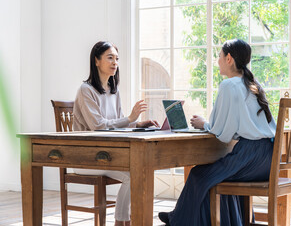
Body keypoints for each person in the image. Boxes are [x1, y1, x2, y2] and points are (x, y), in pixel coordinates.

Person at [158, 39, 276, 226]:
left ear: (229, 58)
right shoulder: (253, 84)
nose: (217, 60)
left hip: (250, 155)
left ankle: (177, 220)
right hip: (268, 159)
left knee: (199, 174)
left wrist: (204, 124)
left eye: (219, 56)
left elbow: (222, 133)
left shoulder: (229, 85)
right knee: (215, 175)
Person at [73, 41, 159, 226]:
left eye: (117, 59)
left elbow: (118, 124)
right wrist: (129, 118)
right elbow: (98, 126)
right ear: (96, 61)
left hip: (107, 154)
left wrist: (138, 123)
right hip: (85, 156)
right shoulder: (86, 90)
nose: (115, 62)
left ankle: (125, 220)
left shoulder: (114, 90)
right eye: (109, 57)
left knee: (139, 170)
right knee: (132, 174)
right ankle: (121, 222)